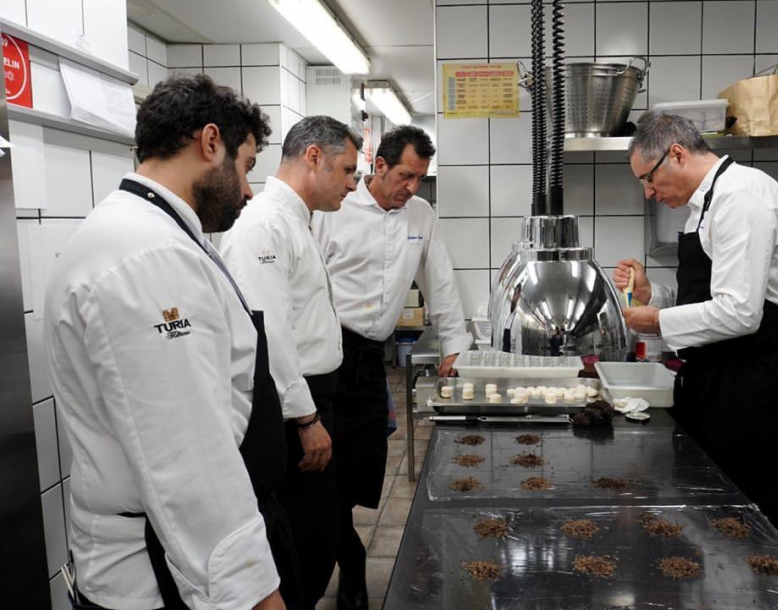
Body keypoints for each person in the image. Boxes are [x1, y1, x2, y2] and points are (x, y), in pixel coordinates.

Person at [44, 74, 298, 610]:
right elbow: (187, 458)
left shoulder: (152, 234)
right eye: (247, 166)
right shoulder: (147, 255)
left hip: (171, 552)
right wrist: (255, 595)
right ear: (210, 143)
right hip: (156, 572)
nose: (249, 190)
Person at [612, 113, 778, 538]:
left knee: (748, 528)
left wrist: (659, 320)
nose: (648, 192)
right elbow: (710, 301)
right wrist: (653, 296)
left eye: (648, 178)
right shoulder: (707, 203)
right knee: (711, 525)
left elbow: (740, 312)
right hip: (718, 383)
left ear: (676, 154)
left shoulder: (742, 198)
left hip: (751, 390)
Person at [311, 125, 472, 609]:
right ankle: (350, 564)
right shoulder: (333, 212)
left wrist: (454, 345)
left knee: (361, 469)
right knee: (323, 472)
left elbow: (440, 281)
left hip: (368, 361)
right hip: (323, 356)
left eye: (420, 178)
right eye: (405, 175)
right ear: (377, 166)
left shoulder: (420, 215)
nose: (412, 187)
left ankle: (348, 553)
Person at [220, 115, 361, 609]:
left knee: (321, 532)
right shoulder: (263, 224)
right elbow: (269, 333)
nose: (352, 184)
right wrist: (306, 418)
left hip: (314, 398)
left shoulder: (296, 219)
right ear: (313, 157)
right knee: (303, 540)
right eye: (347, 171)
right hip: (289, 412)